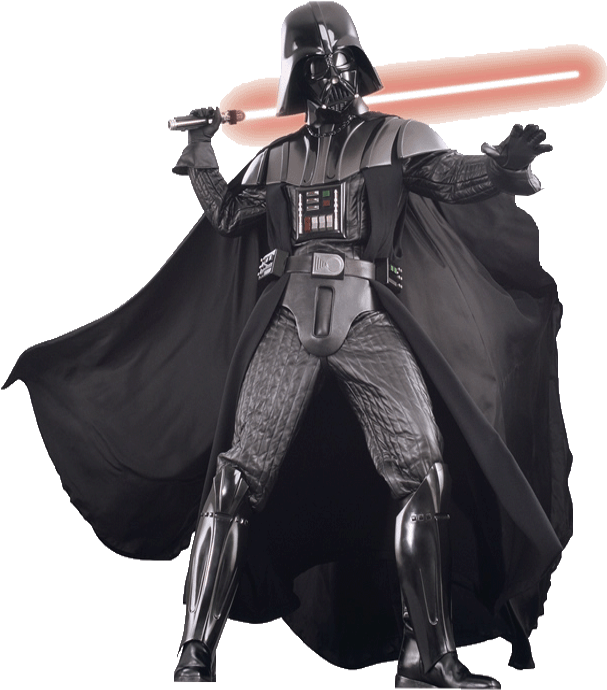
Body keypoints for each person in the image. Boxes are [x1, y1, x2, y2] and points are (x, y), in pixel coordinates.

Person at [3, 3, 571, 688]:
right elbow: (227, 215)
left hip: (368, 319)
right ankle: (194, 653)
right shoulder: (275, 158)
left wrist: (503, 170)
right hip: (288, 320)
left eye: (343, 62)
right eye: (318, 66)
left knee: (423, 476)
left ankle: (428, 657)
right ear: (298, 76)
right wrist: (201, 150)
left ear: (357, 65)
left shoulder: (398, 137)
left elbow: (451, 180)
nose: (334, 77)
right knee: (233, 479)